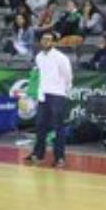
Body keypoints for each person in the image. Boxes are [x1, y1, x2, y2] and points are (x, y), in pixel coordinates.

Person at [26, 31, 72, 168]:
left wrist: (64, 90)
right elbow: (40, 75)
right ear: (41, 42)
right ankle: (38, 153)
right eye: (44, 39)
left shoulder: (61, 57)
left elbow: (68, 75)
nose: (46, 42)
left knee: (58, 127)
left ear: (54, 42)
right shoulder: (39, 57)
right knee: (40, 125)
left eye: (49, 39)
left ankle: (59, 158)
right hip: (43, 94)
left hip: (57, 94)